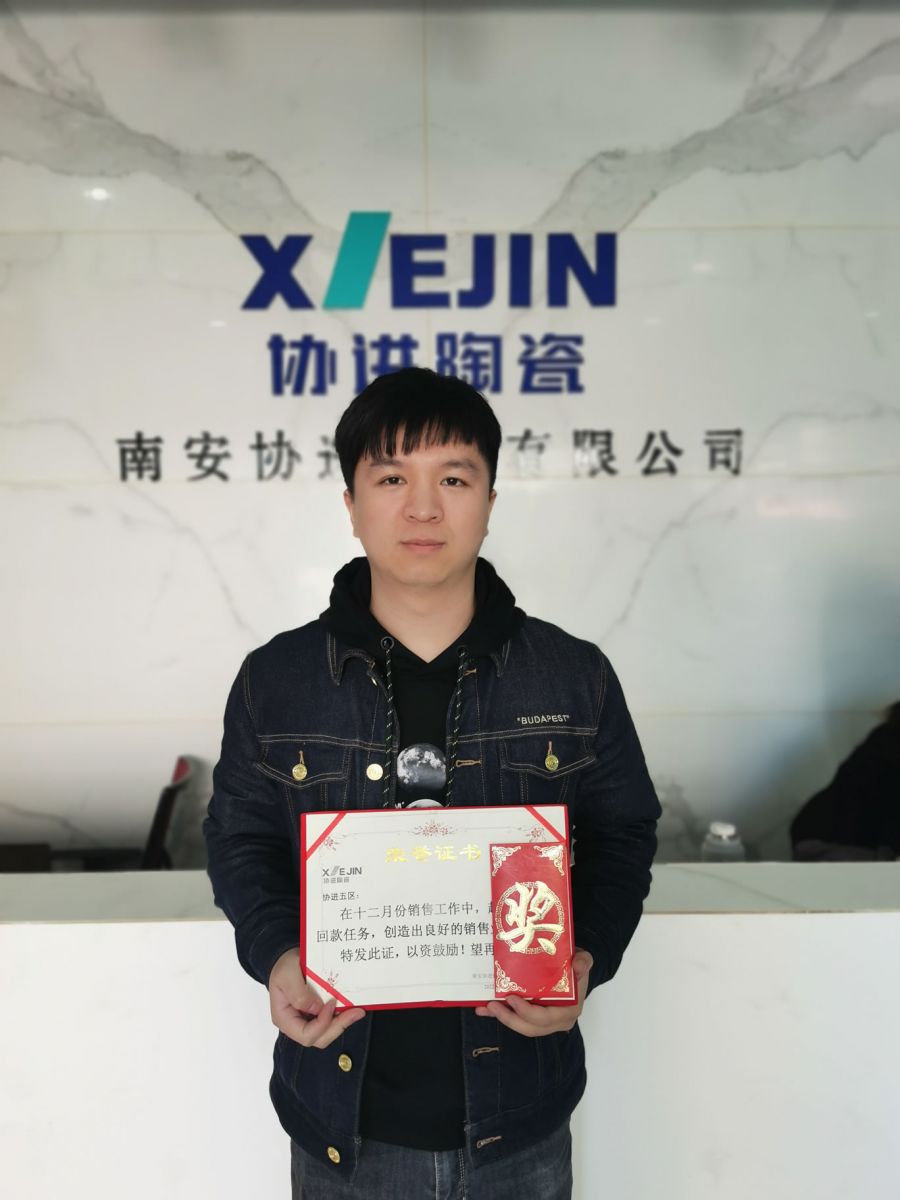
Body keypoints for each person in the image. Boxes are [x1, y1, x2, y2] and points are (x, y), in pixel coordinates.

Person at [203, 367, 661, 1199]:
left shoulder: (573, 676)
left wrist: (586, 958)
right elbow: (240, 839)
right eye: (391, 480)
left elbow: (622, 834)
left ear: (490, 500)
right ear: (351, 504)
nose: (423, 509)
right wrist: (277, 956)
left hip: (520, 1118)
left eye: (453, 479)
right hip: (342, 1120)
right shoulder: (277, 682)